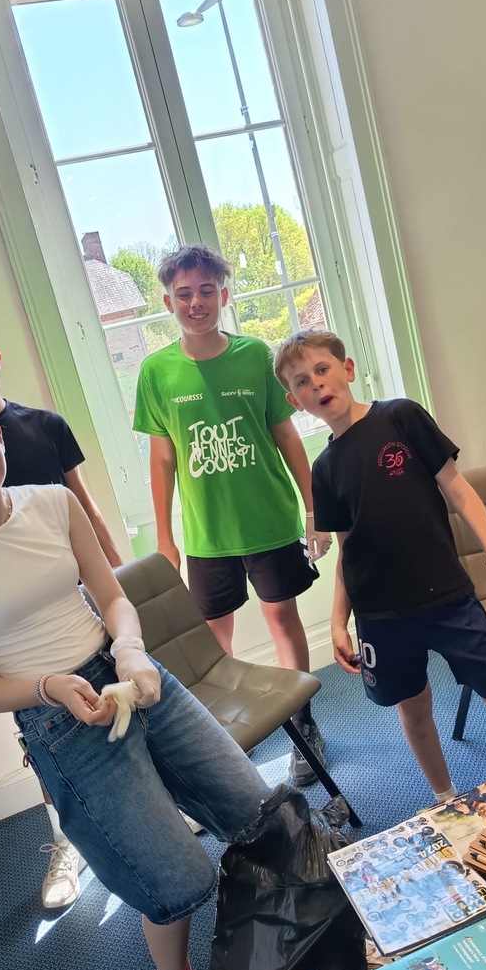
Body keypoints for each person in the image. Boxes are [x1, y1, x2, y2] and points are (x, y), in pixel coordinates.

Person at [0, 385, 270, 970]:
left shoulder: (53, 503)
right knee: (177, 878)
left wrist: (130, 649)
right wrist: (48, 686)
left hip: (131, 675)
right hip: (58, 717)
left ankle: (281, 946)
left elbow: (113, 596)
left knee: (260, 815)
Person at [274, 329, 486, 801]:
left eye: (322, 369)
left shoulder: (400, 416)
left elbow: (460, 491)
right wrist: (338, 619)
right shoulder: (324, 469)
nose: (315, 384)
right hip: (381, 616)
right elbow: (347, 548)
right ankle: (446, 798)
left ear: (347, 369)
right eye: (302, 381)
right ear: (294, 400)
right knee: (414, 709)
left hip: (448, 599)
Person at [0, 311, 124, 910]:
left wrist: (119, 579)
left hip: (76, 594)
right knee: (46, 736)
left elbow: (83, 506)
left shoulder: (45, 426)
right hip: (19, 633)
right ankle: (66, 842)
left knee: (123, 702)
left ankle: (152, 809)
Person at [133, 245, 332, 786]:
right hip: (207, 535)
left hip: (270, 522)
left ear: (223, 294)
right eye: (183, 294)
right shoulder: (156, 371)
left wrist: (313, 509)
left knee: (281, 618)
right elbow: (162, 459)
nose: (195, 302)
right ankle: (219, 736)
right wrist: (166, 538)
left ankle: (303, 723)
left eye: (206, 291)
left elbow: (286, 435)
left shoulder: (255, 356)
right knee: (211, 640)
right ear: (168, 301)